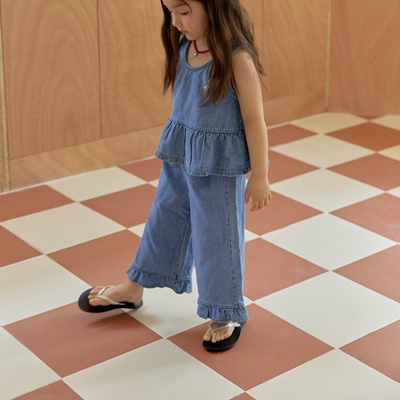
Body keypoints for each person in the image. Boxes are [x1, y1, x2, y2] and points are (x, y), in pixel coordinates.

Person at [78, 0, 271, 352]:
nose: (175, 21)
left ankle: (224, 310)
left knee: (217, 237)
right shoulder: (186, 47)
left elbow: (254, 119)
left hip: (217, 167)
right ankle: (134, 287)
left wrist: (260, 175)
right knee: (163, 220)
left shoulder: (236, 59)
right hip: (180, 155)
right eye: (169, 11)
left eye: (183, 11)